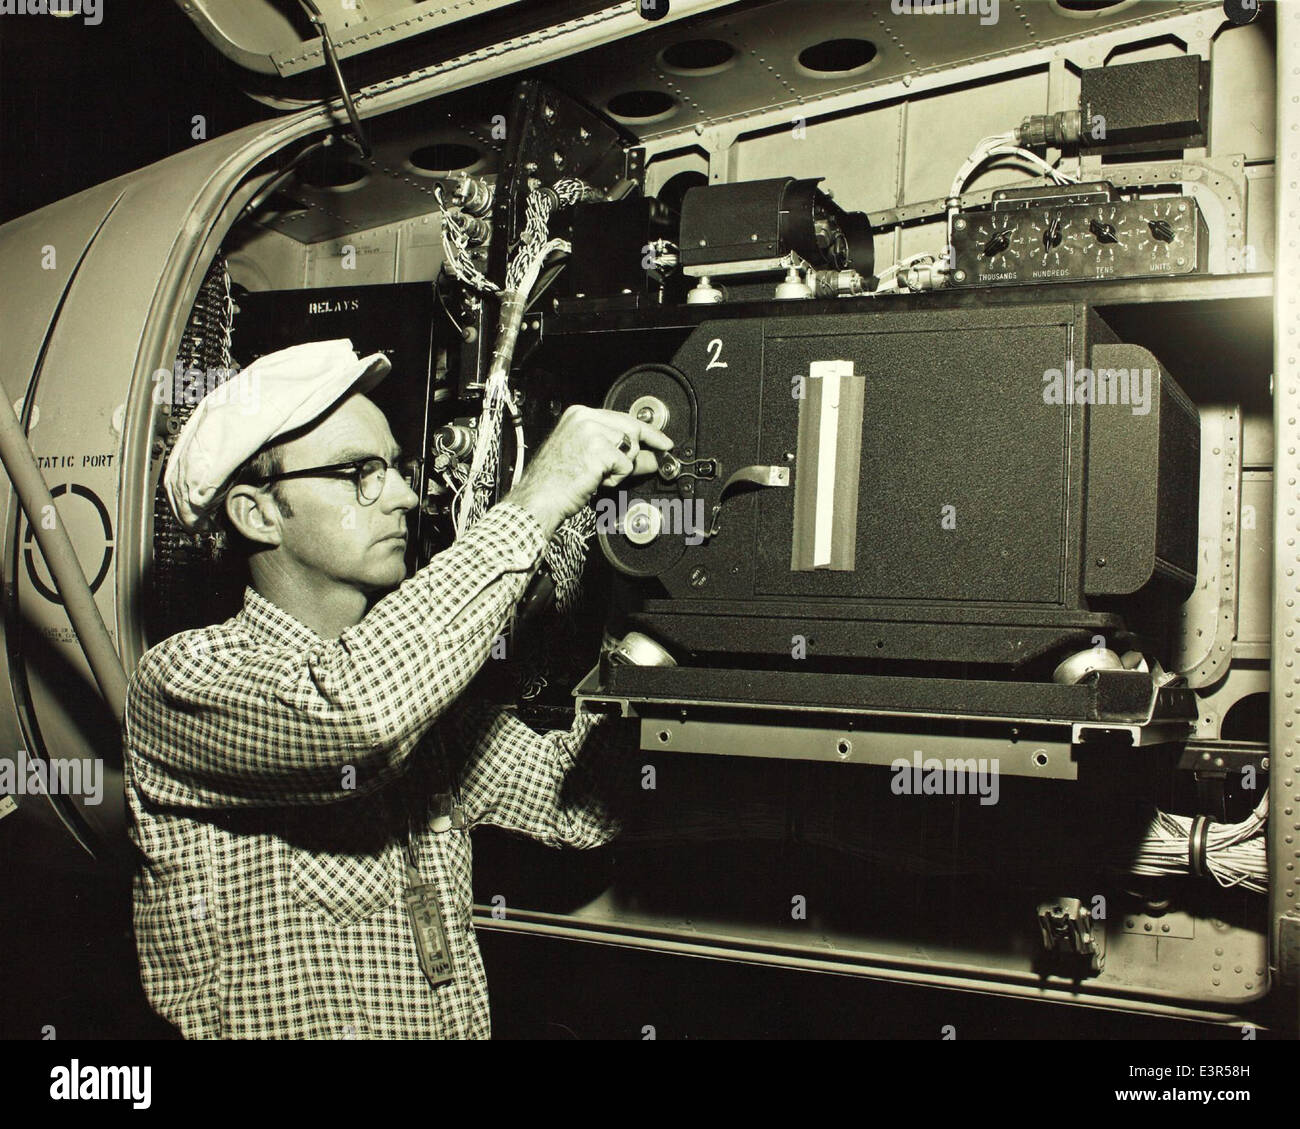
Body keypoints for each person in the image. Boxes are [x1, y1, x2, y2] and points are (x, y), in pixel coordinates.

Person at [124, 338, 670, 1039]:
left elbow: (578, 807)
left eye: (398, 467)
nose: (408, 495)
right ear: (258, 514)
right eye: (362, 472)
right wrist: (538, 496)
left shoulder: (422, 696)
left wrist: (664, 615)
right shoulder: (181, 684)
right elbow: (358, 713)